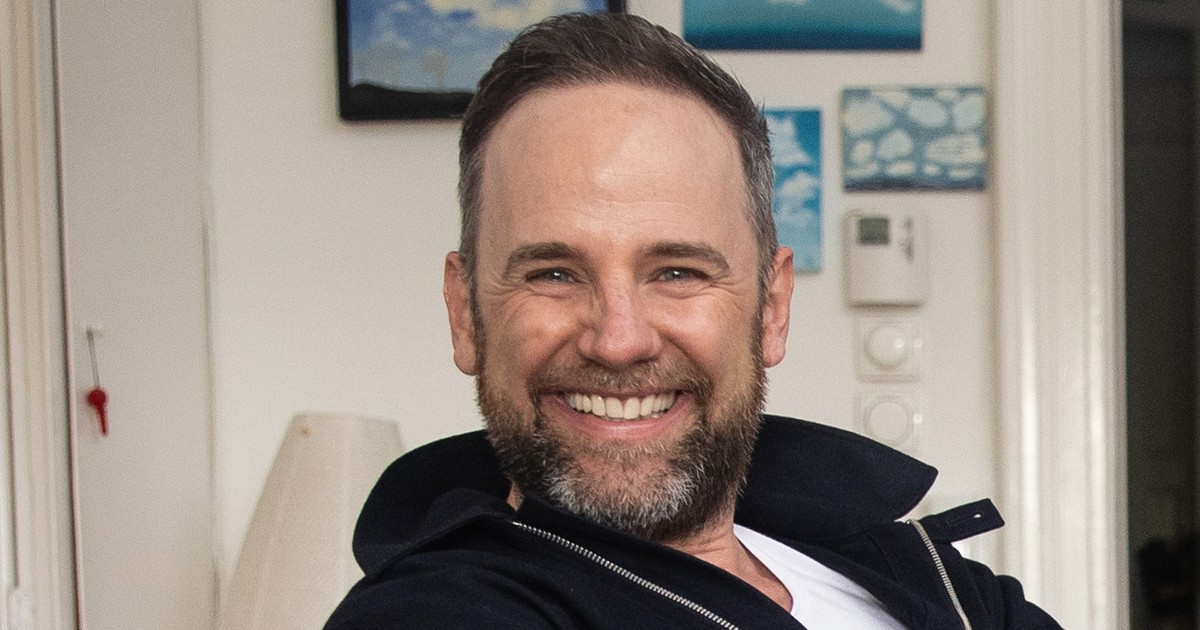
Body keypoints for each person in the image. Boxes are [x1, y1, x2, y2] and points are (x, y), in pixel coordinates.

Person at [325, 11, 1061, 630]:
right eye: (554, 273)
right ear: (465, 314)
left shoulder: (927, 576)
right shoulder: (435, 612)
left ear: (771, 307)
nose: (618, 340)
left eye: (677, 272)